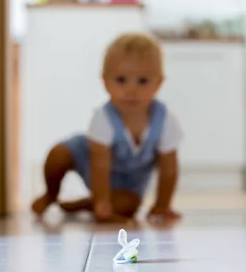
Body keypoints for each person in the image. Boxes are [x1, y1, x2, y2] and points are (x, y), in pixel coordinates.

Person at [31, 32, 183, 223]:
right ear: (105, 81)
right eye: (121, 80)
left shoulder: (165, 121)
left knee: (127, 206)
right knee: (57, 155)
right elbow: (99, 164)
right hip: (90, 160)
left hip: (127, 183)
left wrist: (162, 205)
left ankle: (87, 203)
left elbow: (169, 168)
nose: (131, 90)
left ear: (159, 82)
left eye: (143, 81)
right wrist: (102, 203)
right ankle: (51, 195)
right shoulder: (103, 117)